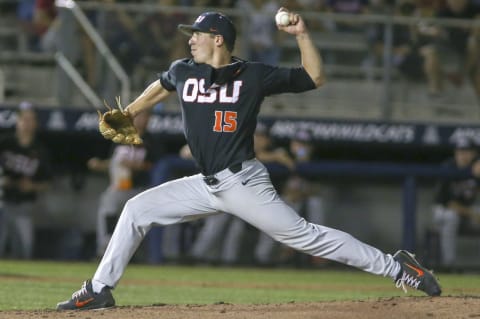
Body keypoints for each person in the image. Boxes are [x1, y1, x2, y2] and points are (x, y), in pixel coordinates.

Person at [57, 8, 441, 311]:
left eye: (197, 34)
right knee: (136, 210)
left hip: (243, 182)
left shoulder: (253, 75)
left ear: (218, 39)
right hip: (204, 184)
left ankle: (397, 267)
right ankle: (99, 290)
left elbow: (315, 76)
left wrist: (302, 34)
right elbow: (163, 85)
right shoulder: (184, 71)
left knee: (306, 236)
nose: (190, 40)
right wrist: (132, 110)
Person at [87, 110, 163, 257]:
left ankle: (137, 254)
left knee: (137, 222)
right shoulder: (121, 137)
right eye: (139, 116)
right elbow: (115, 163)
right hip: (120, 187)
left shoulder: (152, 140)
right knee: (108, 203)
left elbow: (157, 166)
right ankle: (104, 248)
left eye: (145, 116)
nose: (141, 119)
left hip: (141, 188)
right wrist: (100, 164)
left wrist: (135, 166)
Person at [0, 102, 52, 259]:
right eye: (24, 119)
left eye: (31, 120)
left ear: (35, 123)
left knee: (24, 251)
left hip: (25, 206)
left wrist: (32, 186)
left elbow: (48, 183)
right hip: (2, 202)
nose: (27, 123)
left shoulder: (40, 150)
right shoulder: (4, 143)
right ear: (17, 121)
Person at [431, 139, 480, 268]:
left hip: (467, 211)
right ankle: (449, 264)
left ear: (474, 154)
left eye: (467, 152)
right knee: (451, 217)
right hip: (443, 210)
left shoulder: (476, 167)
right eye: (460, 152)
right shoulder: (448, 167)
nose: (463, 155)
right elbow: (447, 202)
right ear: (455, 153)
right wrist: (471, 214)